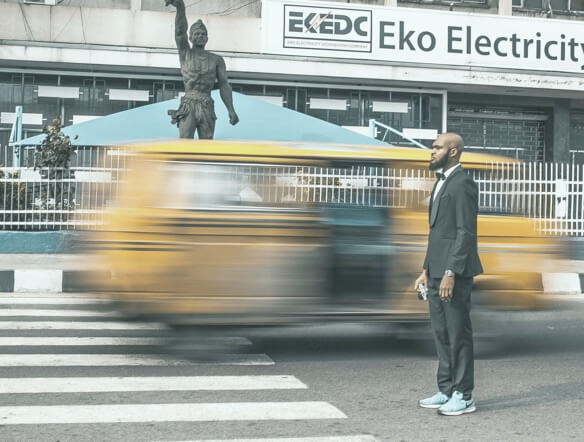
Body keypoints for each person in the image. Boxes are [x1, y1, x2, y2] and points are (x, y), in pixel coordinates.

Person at [414, 132, 483, 416]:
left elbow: (465, 232)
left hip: (454, 273)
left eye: (437, 147)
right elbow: (438, 233)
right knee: (441, 334)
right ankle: (446, 390)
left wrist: (451, 271)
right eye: (433, 147)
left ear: (453, 151)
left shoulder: (463, 183)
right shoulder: (441, 182)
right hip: (436, 271)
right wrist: (425, 270)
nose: (432, 151)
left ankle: (464, 395)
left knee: (458, 334)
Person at [166, 0, 239, 139]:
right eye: (197, 33)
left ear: (207, 38)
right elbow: (180, 32)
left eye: (203, 34)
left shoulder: (216, 59)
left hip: (207, 103)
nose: (200, 36)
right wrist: (181, 7)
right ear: (191, 37)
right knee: (185, 142)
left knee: (207, 144)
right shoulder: (185, 53)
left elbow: (224, 84)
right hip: (189, 102)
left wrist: (231, 109)